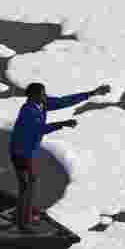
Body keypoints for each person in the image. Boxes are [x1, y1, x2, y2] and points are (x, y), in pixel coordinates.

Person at [9, 82, 111, 231]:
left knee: (28, 184)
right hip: (22, 153)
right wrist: (62, 123)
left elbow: (65, 101)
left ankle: (22, 215)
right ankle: (23, 222)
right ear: (34, 96)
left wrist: (91, 93)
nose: (45, 96)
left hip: (28, 151)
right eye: (42, 94)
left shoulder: (41, 105)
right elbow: (38, 130)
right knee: (28, 185)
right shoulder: (28, 111)